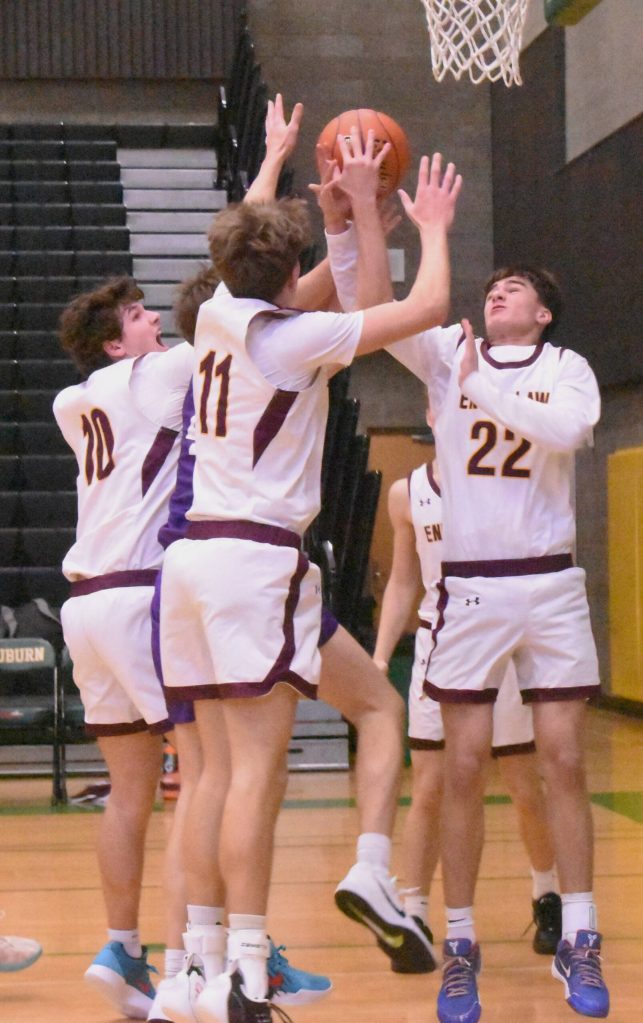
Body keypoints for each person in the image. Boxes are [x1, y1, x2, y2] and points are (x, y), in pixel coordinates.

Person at [158, 122, 461, 1023]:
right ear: (286, 276)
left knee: (218, 772)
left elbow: (265, 247)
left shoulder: (217, 311)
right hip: (253, 558)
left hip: (191, 565)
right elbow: (414, 307)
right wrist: (408, 222)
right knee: (255, 772)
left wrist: (303, 194)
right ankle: (247, 971)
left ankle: (196, 965)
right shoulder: (290, 341)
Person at [375, 271, 608, 1022]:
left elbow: (566, 431)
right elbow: (373, 297)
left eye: (515, 289)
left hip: (549, 582)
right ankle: (460, 943)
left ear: (542, 312)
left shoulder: (566, 368)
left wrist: (478, 389)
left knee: (563, 762)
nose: (497, 293)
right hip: (471, 589)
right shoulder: (448, 351)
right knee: (461, 769)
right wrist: (356, 223)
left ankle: (578, 931)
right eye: (492, 287)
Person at [54, 276, 194, 1020]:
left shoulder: (69, 402)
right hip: (140, 594)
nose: (155, 322)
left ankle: (123, 948)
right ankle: (185, 963)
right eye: (141, 316)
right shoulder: (154, 373)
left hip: (85, 604)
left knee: (130, 791)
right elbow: (242, 325)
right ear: (116, 343)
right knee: (204, 776)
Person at [373, 448, 561, 967]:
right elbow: (403, 580)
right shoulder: (406, 492)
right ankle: (413, 914)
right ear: (431, 415)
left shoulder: (503, 476)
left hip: (501, 646)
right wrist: (382, 655)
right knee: (430, 787)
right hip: (440, 649)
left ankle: (548, 896)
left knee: (524, 784)